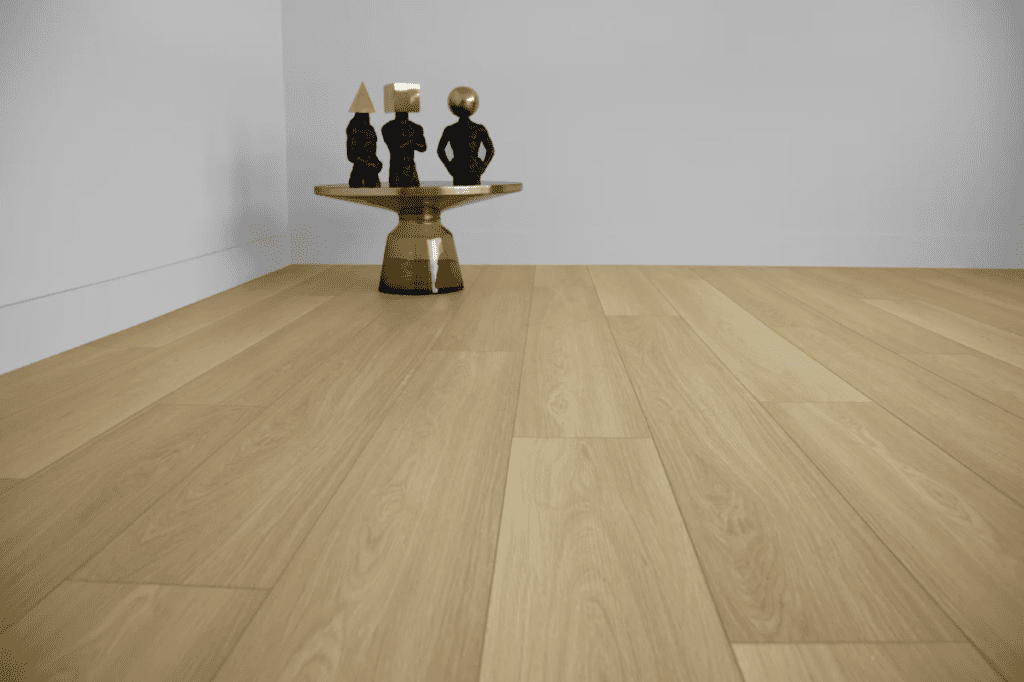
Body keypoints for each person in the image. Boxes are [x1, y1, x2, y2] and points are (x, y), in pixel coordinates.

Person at [437, 86, 494, 186]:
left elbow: (490, 150)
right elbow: (490, 150)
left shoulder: (450, 129)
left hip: (462, 169)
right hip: (465, 169)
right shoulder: (479, 129)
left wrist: (449, 167)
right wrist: (482, 167)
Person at [346, 82, 382, 188]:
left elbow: (372, 151)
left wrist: (376, 162)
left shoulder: (370, 129)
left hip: (372, 175)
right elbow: (351, 155)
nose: (367, 115)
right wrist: (367, 163)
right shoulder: (354, 129)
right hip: (360, 176)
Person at [382, 111, 427, 187]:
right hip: (397, 168)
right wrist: (410, 142)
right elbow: (394, 148)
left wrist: (410, 143)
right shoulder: (388, 127)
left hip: (408, 167)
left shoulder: (415, 127)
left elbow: (423, 147)